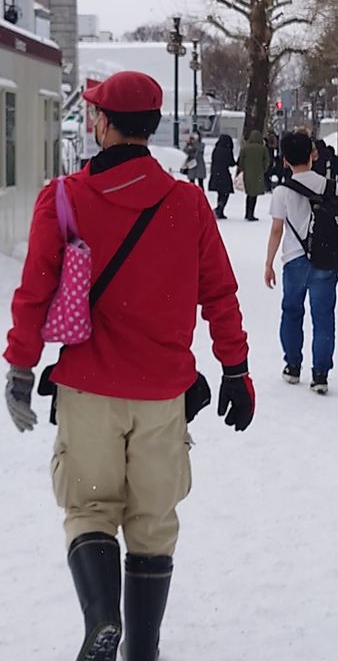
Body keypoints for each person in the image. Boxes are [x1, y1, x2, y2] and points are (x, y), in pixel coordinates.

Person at [3, 70, 255, 661]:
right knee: (152, 521)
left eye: (94, 113)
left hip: (88, 388)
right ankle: (143, 647)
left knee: (89, 508)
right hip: (163, 396)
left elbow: (35, 290)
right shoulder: (187, 203)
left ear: (105, 124)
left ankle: (100, 623)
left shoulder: (62, 199)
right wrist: (235, 369)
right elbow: (219, 292)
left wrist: (19, 367)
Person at [264, 132, 338, 395]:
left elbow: (277, 229)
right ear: (312, 156)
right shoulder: (331, 186)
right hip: (325, 259)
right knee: (323, 317)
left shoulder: (282, 192)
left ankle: (293, 365)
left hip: (294, 259)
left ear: (285, 160)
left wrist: (269, 263)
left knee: (292, 311)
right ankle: (320, 373)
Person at [236, 129, 270, 221]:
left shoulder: (245, 148)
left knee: (249, 193)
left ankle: (247, 212)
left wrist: (243, 168)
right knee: (254, 195)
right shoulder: (263, 149)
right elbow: (267, 161)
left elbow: (240, 161)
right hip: (258, 174)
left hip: (248, 173)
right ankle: (251, 213)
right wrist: (263, 170)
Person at [209, 134, 236, 219]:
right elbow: (231, 163)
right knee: (225, 193)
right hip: (224, 173)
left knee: (220, 193)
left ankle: (219, 210)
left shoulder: (216, 149)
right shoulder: (227, 150)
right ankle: (220, 209)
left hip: (216, 174)